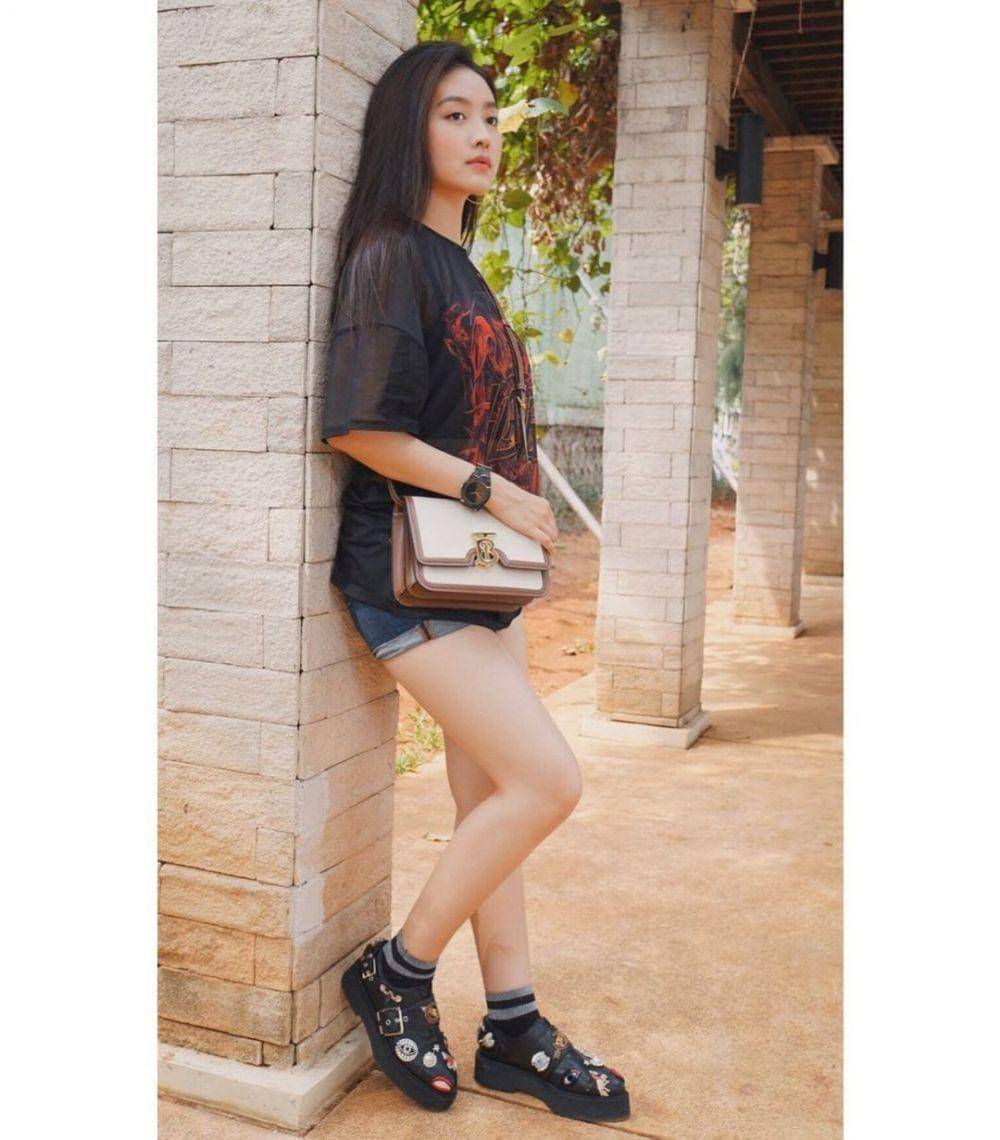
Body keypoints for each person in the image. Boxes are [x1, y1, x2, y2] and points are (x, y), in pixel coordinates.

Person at [320, 40, 630, 1124]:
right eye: (455, 114)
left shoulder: (461, 263)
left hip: (480, 581)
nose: (483, 133)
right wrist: (491, 489)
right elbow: (359, 426)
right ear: (409, 128)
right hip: (407, 578)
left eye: (491, 116)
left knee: (491, 799)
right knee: (546, 783)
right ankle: (398, 970)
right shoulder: (389, 256)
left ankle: (513, 1025)